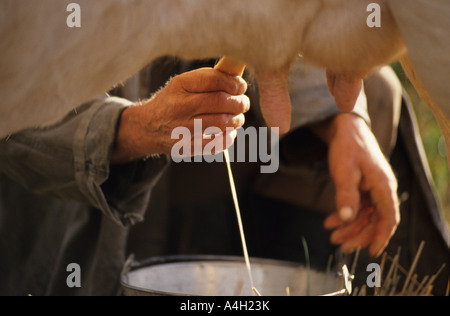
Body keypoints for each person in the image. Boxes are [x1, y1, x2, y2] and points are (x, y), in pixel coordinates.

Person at [0, 57, 446, 296]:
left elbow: (273, 14)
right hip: (77, 167)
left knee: (376, 95)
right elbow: (12, 111)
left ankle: (293, 277)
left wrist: (342, 120)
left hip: (206, 147)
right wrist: (138, 128)